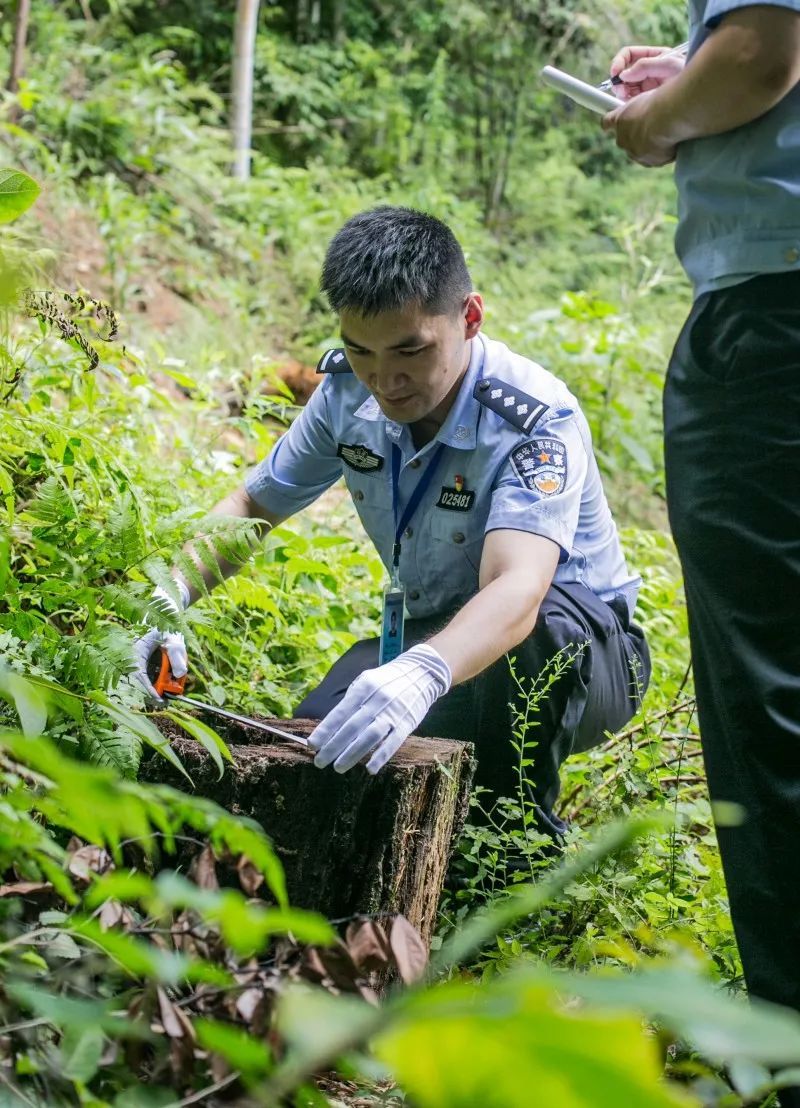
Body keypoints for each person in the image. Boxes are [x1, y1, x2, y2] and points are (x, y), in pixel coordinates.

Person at [134, 206, 649, 839]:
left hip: (586, 654)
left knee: (533, 642)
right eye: (362, 350)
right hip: (439, 637)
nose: (386, 379)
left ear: (470, 317)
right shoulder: (349, 392)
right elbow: (250, 506)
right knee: (316, 750)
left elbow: (519, 592)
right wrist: (166, 596)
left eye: (411, 350)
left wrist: (422, 674)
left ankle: (517, 848)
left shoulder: (533, 419)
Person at [601, 4, 800, 1093]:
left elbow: (762, 57)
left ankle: (786, 1041)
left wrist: (663, 117)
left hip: (771, 312)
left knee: (767, 688)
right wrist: (694, 70)